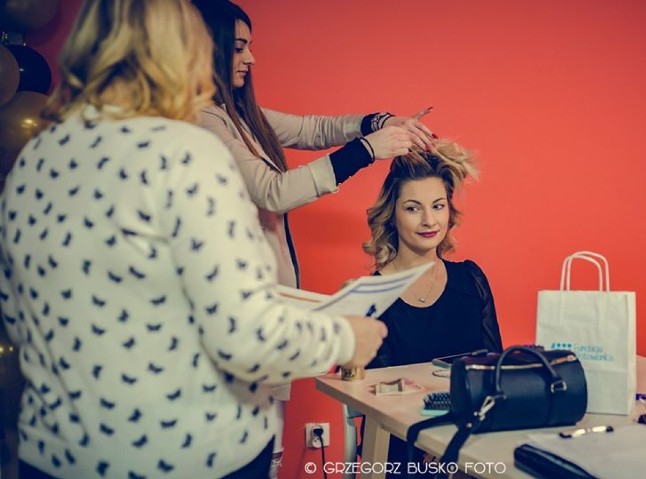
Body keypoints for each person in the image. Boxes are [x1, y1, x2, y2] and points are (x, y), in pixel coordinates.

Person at [0, 1, 386, 478]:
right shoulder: (186, 151)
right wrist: (346, 335)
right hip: (184, 456)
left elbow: (19, 315)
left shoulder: (38, 155)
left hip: (54, 457)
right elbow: (244, 336)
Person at [189, 1, 433, 472]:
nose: (251, 59)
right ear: (205, 50)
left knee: (267, 450)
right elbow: (273, 191)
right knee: (249, 453)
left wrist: (380, 122)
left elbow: (312, 129)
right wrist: (367, 151)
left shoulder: (237, 114)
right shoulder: (203, 121)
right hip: (238, 309)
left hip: (265, 302)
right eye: (240, 47)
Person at [362, 141, 503, 474]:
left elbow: (493, 373)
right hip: (401, 449)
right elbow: (378, 397)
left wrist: (457, 443)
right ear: (392, 215)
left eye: (438, 206)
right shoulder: (371, 295)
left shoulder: (471, 280)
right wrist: (432, 443)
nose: (429, 220)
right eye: (413, 208)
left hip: (470, 443)